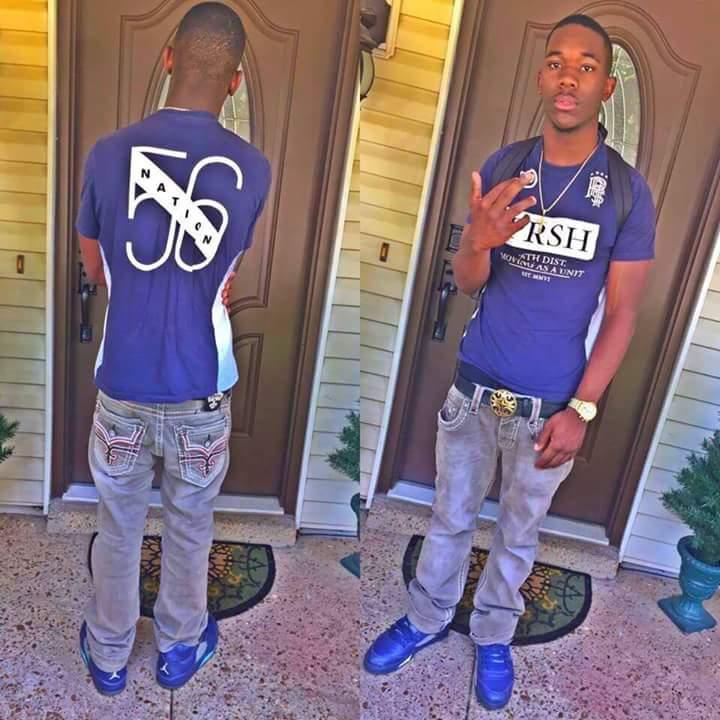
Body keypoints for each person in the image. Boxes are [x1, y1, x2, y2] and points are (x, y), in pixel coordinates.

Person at [363, 14, 655, 711]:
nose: (568, 77)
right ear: (541, 77)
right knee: (450, 516)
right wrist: (477, 240)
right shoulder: (504, 169)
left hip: (549, 407)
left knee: (519, 534)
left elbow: (622, 313)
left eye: (586, 66)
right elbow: (468, 281)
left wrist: (583, 409)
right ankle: (426, 618)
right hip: (474, 391)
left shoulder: (625, 192)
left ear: (606, 87)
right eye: (556, 62)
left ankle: (493, 634)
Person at [76, 2, 271, 695]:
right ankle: (179, 651)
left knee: (118, 526)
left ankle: (108, 657)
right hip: (201, 389)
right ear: (235, 80)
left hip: (124, 386)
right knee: (190, 528)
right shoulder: (254, 169)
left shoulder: (107, 154)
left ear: (168, 60)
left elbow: (97, 269)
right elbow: (224, 273)